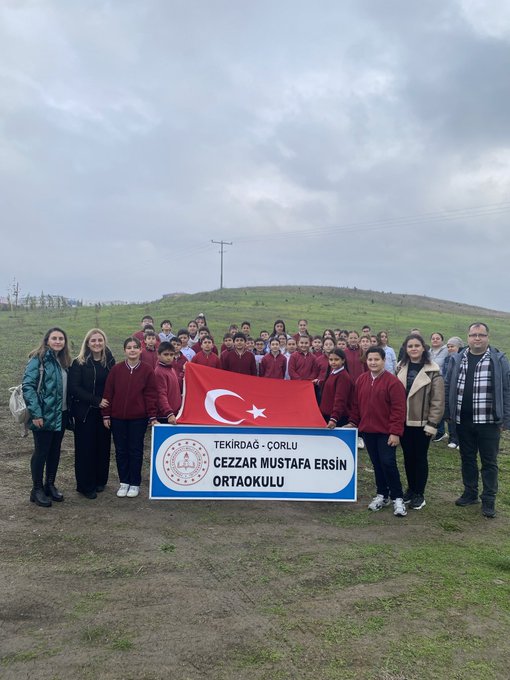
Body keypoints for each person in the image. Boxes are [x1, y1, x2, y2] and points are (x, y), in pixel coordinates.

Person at [445, 322, 510, 518]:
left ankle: (489, 500)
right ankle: (470, 493)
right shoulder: (458, 359)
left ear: (487, 337)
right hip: (463, 421)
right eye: (474, 335)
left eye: (481, 335)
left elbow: (507, 389)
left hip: (489, 421)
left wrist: (506, 418)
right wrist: (448, 412)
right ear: (468, 337)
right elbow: (448, 384)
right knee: (467, 458)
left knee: (489, 462)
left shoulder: (498, 360)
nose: (477, 338)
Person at [347, 347, 407, 517]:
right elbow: (357, 405)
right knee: (377, 464)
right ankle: (382, 494)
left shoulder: (393, 383)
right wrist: (353, 422)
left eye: (376, 359)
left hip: (386, 432)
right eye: (370, 360)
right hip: (368, 431)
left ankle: (398, 498)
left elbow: (398, 409)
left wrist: (395, 432)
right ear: (366, 361)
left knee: (388, 462)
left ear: (384, 361)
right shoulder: (361, 380)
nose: (373, 363)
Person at [102, 337, 158, 499]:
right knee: (121, 450)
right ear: (124, 350)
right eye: (129, 347)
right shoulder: (116, 370)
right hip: (117, 418)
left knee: (135, 450)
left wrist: (152, 415)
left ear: (141, 350)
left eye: (135, 347)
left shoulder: (147, 370)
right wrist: (106, 414)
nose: (132, 350)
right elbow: (108, 393)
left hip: (138, 419)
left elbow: (150, 395)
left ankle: (135, 483)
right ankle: (124, 482)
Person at [22, 327, 72, 507]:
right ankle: (36, 489)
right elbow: (28, 386)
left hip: (61, 414)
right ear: (47, 340)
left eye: (61, 338)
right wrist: (36, 413)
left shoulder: (64, 361)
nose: (58, 341)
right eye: (54, 338)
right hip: (43, 415)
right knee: (41, 452)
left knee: (55, 451)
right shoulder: (39, 359)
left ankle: (49, 484)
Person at [396, 334, 444, 510]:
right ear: (406, 349)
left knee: (420, 458)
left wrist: (433, 424)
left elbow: (437, 401)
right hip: (403, 422)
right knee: (408, 458)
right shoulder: (399, 368)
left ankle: (419, 493)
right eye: (410, 346)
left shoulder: (433, 370)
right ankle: (410, 489)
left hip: (422, 423)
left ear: (423, 348)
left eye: (417, 345)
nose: (414, 349)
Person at [69, 328, 115, 499]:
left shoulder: (109, 361)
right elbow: (74, 388)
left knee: (102, 447)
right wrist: (96, 400)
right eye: (93, 341)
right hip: (85, 412)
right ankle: (85, 485)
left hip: (104, 413)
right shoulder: (79, 362)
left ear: (104, 342)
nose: (97, 343)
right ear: (87, 343)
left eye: (100, 340)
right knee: (85, 449)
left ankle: (99, 480)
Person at [320, 349, 353, 428]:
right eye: (331, 360)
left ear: (343, 360)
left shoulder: (343, 377)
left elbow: (340, 399)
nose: (333, 362)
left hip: (337, 417)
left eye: (336, 359)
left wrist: (334, 418)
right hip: (328, 414)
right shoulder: (333, 373)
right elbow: (330, 387)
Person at [443, 336, 464, 449]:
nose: (450, 348)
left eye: (452, 346)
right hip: (449, 390)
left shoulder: (462, 359)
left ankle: (461, 440)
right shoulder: (447, 359)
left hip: (459, 390)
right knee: (450, 415)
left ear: (459, 347)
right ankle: (453, 439)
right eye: (448, 346)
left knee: (460, 417)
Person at [155, 342, 181, 424]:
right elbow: (161, 394)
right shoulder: (159, 372)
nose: (169, 357)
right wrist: (169, 413)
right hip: (166, 416)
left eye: (171, 354)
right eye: (165, 354)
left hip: (175, 413)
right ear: (158, 355)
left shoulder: (171, 369)